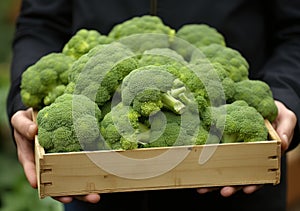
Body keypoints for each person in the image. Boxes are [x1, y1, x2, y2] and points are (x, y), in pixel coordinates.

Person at [6, 0, 300, 210]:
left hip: (236, 192)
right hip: (96, 185)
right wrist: (23, 103)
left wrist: (288, 94)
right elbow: (40, 24)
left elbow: (294, 30)